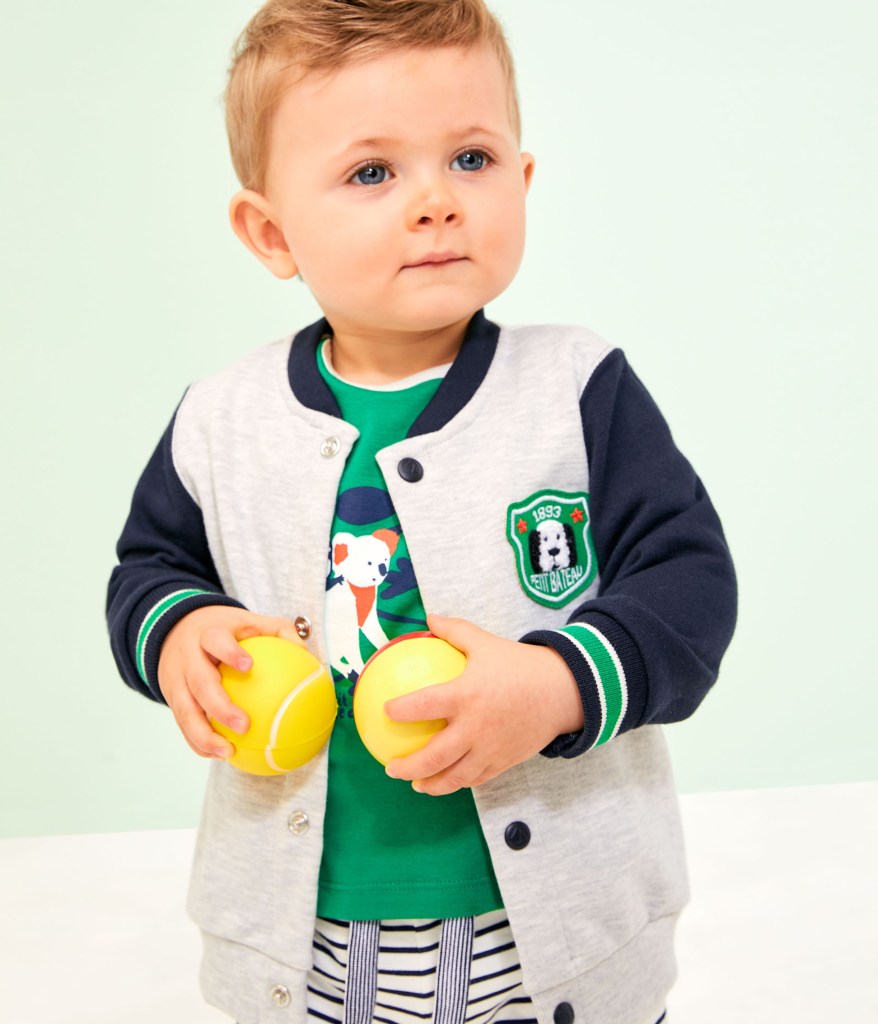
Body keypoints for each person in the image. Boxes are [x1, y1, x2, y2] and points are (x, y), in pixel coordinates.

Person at [106, 1, 737, 1022]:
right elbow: (148, 570)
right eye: (371, 173)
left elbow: (690, 583)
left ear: (523, 179)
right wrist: (179, 630)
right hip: (308, 935)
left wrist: (557, 683)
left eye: (471, 159)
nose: (436, 201)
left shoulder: (577, 390)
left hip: (555, 928)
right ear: (271, 232)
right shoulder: (220, 420)